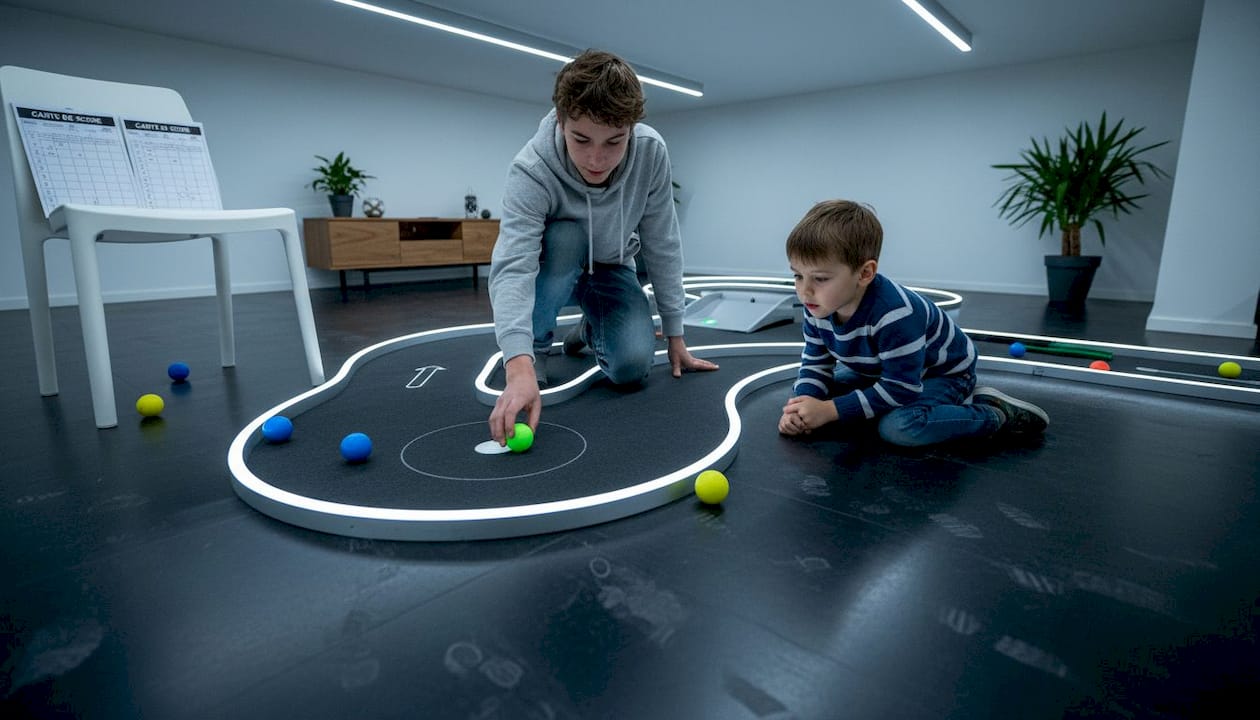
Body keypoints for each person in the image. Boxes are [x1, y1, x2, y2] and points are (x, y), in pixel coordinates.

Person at [487, 49, 718, 446]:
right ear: (561, 121)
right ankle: (540, 348)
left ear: (632, 128)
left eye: (615, 141)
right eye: (581, 139)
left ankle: (589, 327)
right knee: (566, 237)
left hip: (613, 265)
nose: (597, 159)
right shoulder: (531, 169)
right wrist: (518, 364)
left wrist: (676, 334)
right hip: (553, 264)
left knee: (629, 368)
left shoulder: (651, 152)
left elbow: (662, 240)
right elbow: (513, 265)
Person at [778, 199, 1048, 446]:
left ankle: (991, 413)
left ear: (865, 273)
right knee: (812, 393)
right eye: (798, 276)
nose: (805, 291)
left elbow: (900, 388)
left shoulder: (894, 313)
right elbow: (815, 364)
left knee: (900, 427)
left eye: (820, 278)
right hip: (884, 371)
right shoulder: (818, 305)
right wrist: (800, 407)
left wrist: (828, 411)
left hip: (940, 374)